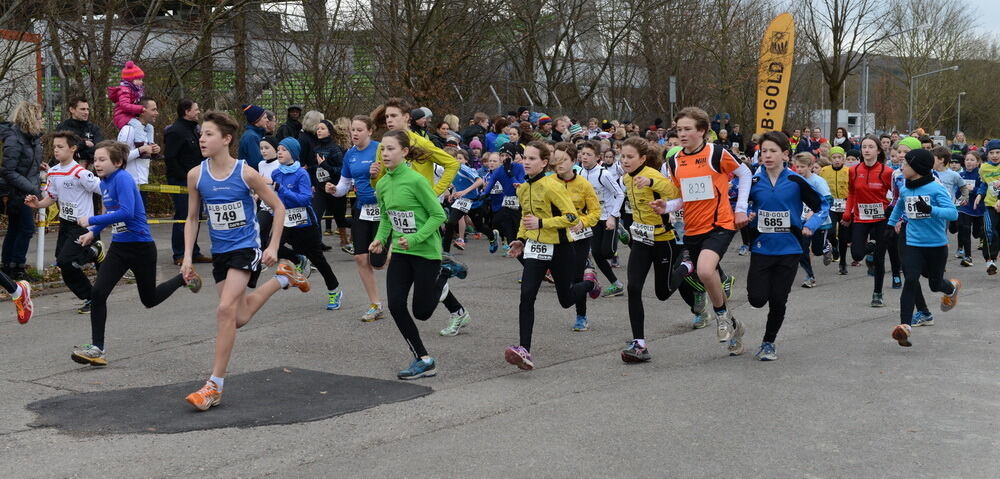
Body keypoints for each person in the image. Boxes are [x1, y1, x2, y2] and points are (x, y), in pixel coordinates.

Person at [181, 111, 310, 410]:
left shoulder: (246, 173)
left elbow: (278, 208)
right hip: (221, 253)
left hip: (246, 248)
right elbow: (191, 218)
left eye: (209, 134)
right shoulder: (196, 175)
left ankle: (214, 385)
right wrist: (187, 256)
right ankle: (283, 278)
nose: (202, 138)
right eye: (201, 134)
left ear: (226, 139)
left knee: (225, 309)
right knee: (236, 317)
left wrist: (274, 245)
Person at [70, 141, 201, 367]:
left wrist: (91, 220)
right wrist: (92, 232)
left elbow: (126, 212)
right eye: (96, 160)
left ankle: (183, 279)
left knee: (149, 299)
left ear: (118, 162)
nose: (97, 164)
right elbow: (109, 212)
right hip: (119, 248)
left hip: (141, 248)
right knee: (99, 293)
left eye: (103, 160)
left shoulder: (122, 179)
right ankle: (97, 348)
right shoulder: (105, 183)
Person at [503, 141, 598, 370]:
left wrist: (543, 222)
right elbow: (526, 218)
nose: (526, 161)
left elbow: (572, 218)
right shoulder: (523, 188)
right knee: (526, 296)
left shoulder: (552, 186)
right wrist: (520, 239)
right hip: (536, 248)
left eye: (532, 158)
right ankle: (524, 350)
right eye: (524, 157)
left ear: (545, 163)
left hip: (561, 249)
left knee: (565, 300)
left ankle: (589, 283)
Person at [663, 107, 750, 353]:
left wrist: (740, 208)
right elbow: (682, 199)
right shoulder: (674, 161)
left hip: (720, 224)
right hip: (692, 229)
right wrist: (665, 206)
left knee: (704, 270)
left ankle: (721, 315)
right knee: (706, 276)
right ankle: (735, 327)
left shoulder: (717, 153)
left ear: (702, 131)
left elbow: (744, 174)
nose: (682, 134)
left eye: (687, 129)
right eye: (679, 129)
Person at [368, 130, 453, 380]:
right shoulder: (382, 184)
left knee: (422, 312)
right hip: (402, 254)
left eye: (391, 149)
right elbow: (386, 217)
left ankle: (446, 272)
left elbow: (439, 215)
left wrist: (415, 237)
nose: (385, 153)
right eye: (383, 149)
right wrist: (380, 239)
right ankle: (423, 359)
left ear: (404, 152)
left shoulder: (416, 181)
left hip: (426, 252)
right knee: (395, 305)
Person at [745, 131, 828, 361]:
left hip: (790, 248)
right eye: (764, 151)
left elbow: (822, 206)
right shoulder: (753, 181)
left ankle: (768, 342)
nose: (768, 155)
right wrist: (746, 214)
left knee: (779, 300)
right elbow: (738, 204)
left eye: (773, 151)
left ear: (785, 154)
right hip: (762, 247)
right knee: (757, 299)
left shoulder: (795, 180)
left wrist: (811, 224)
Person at [616, 137, 688, 361]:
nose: (625, 161)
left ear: (643, 159)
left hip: (662, 241)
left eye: (630, 157)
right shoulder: (626, 179)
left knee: (663, 293)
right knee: (634, 288)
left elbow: (676, 193)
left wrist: (650, 183)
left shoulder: (653, 175)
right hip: (640, 241)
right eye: (623, 156)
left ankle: (686, 265)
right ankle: (639, 343)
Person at [887, 148, 961, 348]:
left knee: (935, 285)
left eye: (907, 164)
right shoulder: (906, 188)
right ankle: (904, 326)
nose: (902, 166)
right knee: (910, 279)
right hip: (913, 243)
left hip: (936, 246)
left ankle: (951, 288)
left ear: (917, 168)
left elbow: (952, 214)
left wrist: (930, 209)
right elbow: (899, 207)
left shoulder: (935, 188)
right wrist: (889, 226)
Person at [23, 131, 104, 314]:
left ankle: (92, 298)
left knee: (66, 261)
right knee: (63, 263)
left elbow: (104, 190)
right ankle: (94, 252)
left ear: (73, 149)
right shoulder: (53, 171)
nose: (56, 150)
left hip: (83, 226)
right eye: (54, 147)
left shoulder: (81, 173)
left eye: (60, 147)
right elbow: (51, 198)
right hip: (65, 224)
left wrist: (105, 216)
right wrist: (37, 203)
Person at [271, 137, 344, 310]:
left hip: (305, 223)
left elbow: (305, 199)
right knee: (273, 247)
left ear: (293, 153)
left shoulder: (301, 173)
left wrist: (282, 189)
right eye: (278, 149)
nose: (279, 152)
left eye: (284, 149)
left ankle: (334, 290)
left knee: (318, 259)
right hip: (286, 221)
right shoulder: (276, 173)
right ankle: (298, 259)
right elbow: (276, 198)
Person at [327, 115, 386, 322]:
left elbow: (397, 173)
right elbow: (344, 185)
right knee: (361, 257)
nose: (355, 133)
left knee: (378, 262)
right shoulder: (350, 154)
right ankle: (375, 304)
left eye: (360, 129)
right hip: (362, 209)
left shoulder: (380, 149)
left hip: (384, 209)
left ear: (370, 131)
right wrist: (334, 190)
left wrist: (379, 174)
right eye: (353, 129)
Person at [551, 142, 602, 332]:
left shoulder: (583, 184)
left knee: (576, 275)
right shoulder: (549, 183)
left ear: (574, 161)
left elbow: (596, 212)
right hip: (556, 235)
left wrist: (583, 221)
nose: (559, 164)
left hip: (579, 236)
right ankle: (591, 283)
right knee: (562, 279)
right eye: (556, 160)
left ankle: (581, 316)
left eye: (564, 160)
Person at [842, 135, 895, 307]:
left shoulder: (887, 172)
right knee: (857, 254)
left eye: (871, 147)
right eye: (864, 146)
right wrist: (847, 213)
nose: (866, 150)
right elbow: (851, 193)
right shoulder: (854, 170)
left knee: (879, 259)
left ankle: (877, 293)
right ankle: (869, 250)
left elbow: (895, 196)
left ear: (878, 150)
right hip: (861, 217)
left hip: (881, 218)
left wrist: (893, 215)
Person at [163, 98, 211, 265]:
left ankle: (193, 250)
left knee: (196, 215)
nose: (198, 112)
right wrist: (186, 177)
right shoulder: (175, 131)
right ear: (186, 111)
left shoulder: (194, 130)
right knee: (184, 216)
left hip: (197, 180)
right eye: (195, 109)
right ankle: (179, 253)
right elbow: (171, 158)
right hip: (181, 182)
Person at [0, 101, 43, 280]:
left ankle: (8, 266)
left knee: (16, 228)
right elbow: (8, 170)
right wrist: (32, 187)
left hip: (24, 189)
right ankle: (17, 267)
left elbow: (26, 164)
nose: (42, 121)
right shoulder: (14, 139)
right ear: (30, 119)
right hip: (16, 192)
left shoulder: (32, 138)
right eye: (40, 118)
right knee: (25, 228)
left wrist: (40, 167)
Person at [578, 140, 625, 297]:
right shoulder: (580, 173)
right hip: (594, 218)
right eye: (583, 154)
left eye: (589, 155)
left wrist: (613, 216)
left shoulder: (603, 174)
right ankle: (616, 284)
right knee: (597, 254)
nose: (584, 157)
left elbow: (619, 194)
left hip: (609, 217)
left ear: (598, 157)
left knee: (607, 253)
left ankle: (620, 230)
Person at [791, 153, 833, 288]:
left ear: (810, 166)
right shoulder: (795, 181)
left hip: (820, 222)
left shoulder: (818, 182)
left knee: (817, 250)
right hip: (802, 222)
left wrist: (813, 212)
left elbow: (828, 201)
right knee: (802, 249)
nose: (799, 169)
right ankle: (810, 276)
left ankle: (826, 247)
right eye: (797, 166)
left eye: (802, 166)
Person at [312, 119, 350, 252]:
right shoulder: (316, 147)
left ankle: (347, 240)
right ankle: (315, 246)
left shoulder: (335, 148)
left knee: (341, 220)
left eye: (322, 128)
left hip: (335, 189)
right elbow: (316, 168)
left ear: (329, 131)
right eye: (317, 128)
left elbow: (342, 171)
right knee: (315, 217)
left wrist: (325, 166)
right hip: (320, 190)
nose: (319, 131)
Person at [820, 146, 851, 274]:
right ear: (830, 159)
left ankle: (843, 263)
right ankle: (834, 245)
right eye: (834, 158)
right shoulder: (824, 171)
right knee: (831, 231)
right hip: (831, 205)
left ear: (843, 159)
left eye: (839, 158)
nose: (837, 160)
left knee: (844, 236)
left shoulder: (849, 171)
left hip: (845, 205)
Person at [974, 140, 1000, 275]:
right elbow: (984, 184)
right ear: (987, 154)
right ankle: (990, 260)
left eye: (998, 152)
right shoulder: (984, 168)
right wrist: (979, 195)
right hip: (990, 205)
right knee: (988, 229)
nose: (995, 155)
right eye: (992, 153)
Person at [55, 96, 103, 165]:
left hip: (91, 167)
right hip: (67, 167)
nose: (86, 112)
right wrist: (84, 143)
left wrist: (78, 154)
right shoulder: (63, 128)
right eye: (82, 109)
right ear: (72, 110)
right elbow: (63, 149)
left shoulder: (94, 128)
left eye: (87, 109)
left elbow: (100, 148)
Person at [957, 151, 984, 267]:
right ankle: (968, 256)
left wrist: (972, 189)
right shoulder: (961, 175)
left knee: (976, 233)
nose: (969, 162)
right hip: (965, 207)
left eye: (972, 160)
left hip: (978, 208)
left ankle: (980, 237)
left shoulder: (980, 175)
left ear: (978, 162)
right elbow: (958, 192)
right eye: (967, 159)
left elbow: (983, 189)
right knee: (965, 230)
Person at [107, 61, 145, 129]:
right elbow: (124, 105)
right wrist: (141, 108)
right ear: (131, 80)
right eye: (139, 79)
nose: (142, 81)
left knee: (148, 127)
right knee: (138, 125)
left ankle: (149, 140)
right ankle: (140, 140)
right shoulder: (124, 90)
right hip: (122, 116)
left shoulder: (137, 91)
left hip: (131, 116)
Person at [237, 104, 268, 170]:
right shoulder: (251, 137)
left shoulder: (256, 134)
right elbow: (257, 162)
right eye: (265, 118)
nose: (267, 120)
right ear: (257, 120)